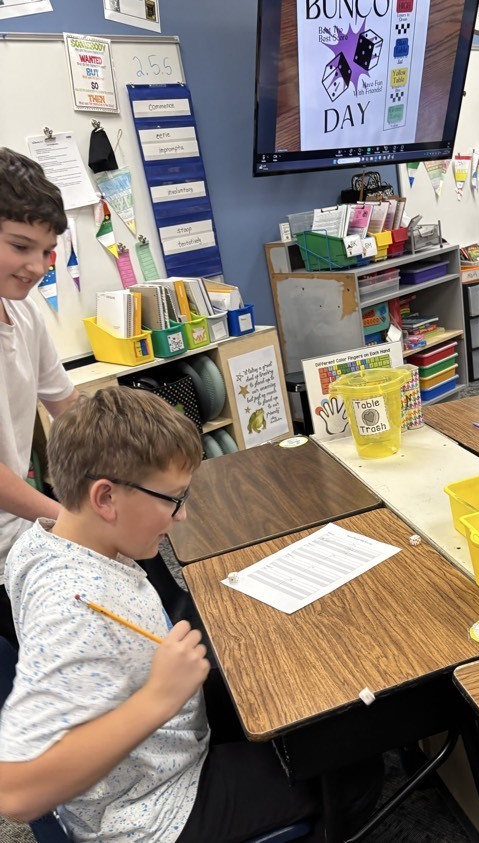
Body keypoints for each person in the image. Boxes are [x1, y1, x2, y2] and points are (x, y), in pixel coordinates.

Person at [0, 387, 322, 841]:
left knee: (269, 682)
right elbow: (14, 795)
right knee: (340, 764)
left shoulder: (45, 540)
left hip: (156, 759)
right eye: (172, 499)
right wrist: (159, 698)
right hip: (153, 810)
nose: (182, 515)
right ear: (105, 498)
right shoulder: (75, 609)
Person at [0, 147, 79, 648]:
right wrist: (67, 518)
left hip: (17, 532)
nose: (37, 267)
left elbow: (68, 409)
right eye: (20, 246)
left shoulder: (25, 314)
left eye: (46, 251)